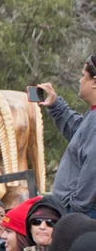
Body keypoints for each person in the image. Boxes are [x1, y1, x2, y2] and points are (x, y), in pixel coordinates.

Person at [41, 61, 96, 216]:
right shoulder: (93, 115)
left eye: (83, 76)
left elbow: (93, 166)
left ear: (94, 81)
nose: (80, 80)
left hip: (82, 213)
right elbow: (79, 132)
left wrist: (76, 207)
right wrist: (55, 105)